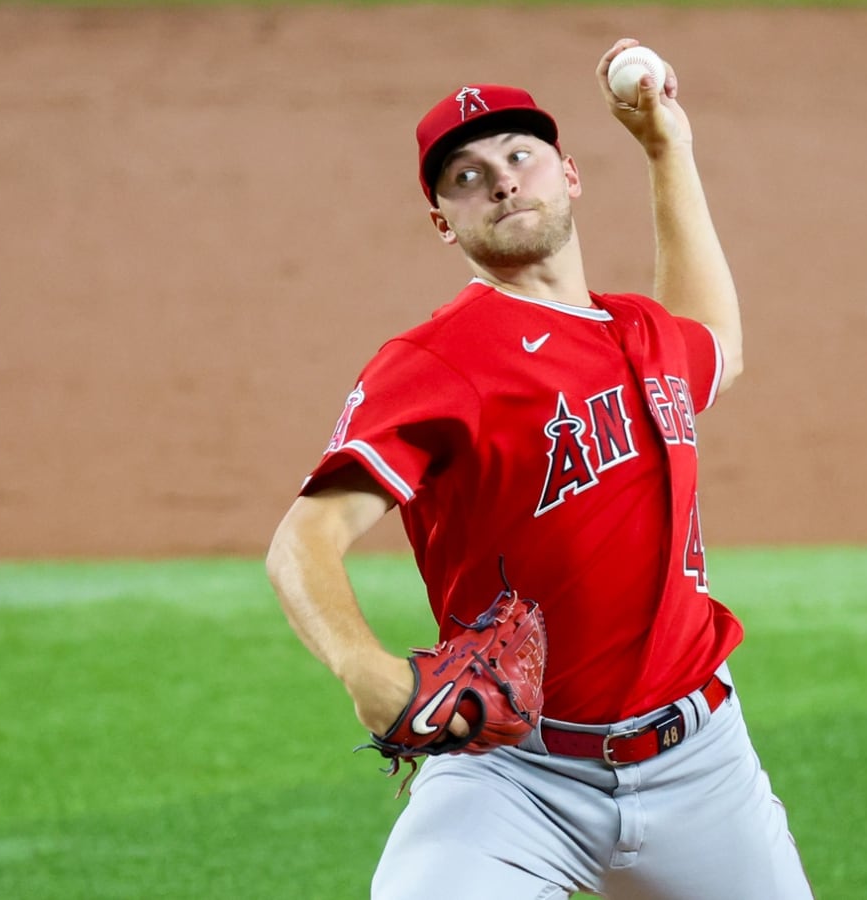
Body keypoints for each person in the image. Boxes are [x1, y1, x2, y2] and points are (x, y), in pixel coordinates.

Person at [266, 38, 813, 900]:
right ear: (445, 222)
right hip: (510, 773)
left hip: (703, 765)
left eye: (521, 156)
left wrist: (668, 149)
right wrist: (362, 667)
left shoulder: (640, 331)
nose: (504, 179)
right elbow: (304, 538)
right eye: (469, 176)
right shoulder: (437, 361)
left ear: (569, 174)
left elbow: (719, 344)